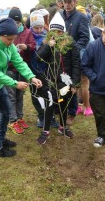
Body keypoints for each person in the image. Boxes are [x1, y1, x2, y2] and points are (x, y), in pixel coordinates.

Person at [0, 17, 42, 157]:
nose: (12, 43)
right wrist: (15, 83)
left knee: (6, 111)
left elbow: (19, 62)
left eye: (13, 39)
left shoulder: (9, 46)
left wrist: (31, 77)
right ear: (1, 35)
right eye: (9, 39)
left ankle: (1, 139)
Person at [36, 12, 80, 144]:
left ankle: (62, 127)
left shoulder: (70, 43)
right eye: (54, 31)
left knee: (64, 105)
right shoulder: (48, 43)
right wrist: (48, 46)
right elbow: (38, 58)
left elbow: (76, 64)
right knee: (50, 105)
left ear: (63, 31)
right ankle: (46, 131)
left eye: (59, 31)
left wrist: (75, 83)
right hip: (51, 81)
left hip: (66, 81)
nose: (56, 34)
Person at [60, 0, 89, 125]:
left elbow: (85, 38)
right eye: (65, 2)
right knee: (61, 81)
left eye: (69, 2)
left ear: (75, 2)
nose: (67, 4)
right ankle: (60, 108)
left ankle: (72, 112)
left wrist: (73, 49)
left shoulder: (81, 18)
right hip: (60, 55)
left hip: (74, 56)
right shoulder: (60, 15)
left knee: (72, 83)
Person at [6, 7, 36, 134]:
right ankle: (12, 121)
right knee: (11, 95)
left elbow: (33, 45)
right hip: (10, 68)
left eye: (18, 23)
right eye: (14, 22)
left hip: (22, 68)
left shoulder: (27, 32)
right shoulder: (6, 32)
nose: (16, 25)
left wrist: (26, 47)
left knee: (20, 95)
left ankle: (19, 117)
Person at [29, 10, 59, 129]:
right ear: (32, 26)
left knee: (48, 93)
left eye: (41, 27)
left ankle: (50, 117)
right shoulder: (29, 37)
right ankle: (41, 116)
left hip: (46, 71)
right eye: (36, 28)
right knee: (35, 94)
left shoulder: (46, 36)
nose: (39, 30)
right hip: (32, 70)